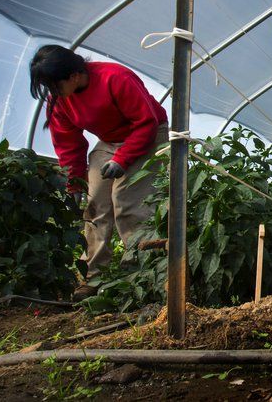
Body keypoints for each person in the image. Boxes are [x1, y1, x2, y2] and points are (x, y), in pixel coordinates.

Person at [29, 45, 168, 300]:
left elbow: (146, 122)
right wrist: (74, 185)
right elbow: (69, 144)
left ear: (73, 75)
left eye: (54, 86)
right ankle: (94, 277)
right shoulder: (60, 101)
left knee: (127, 201)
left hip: (148, 133)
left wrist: (122, 159)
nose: (52, 93)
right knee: (95, 205)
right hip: (110, 139)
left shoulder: (115, 78)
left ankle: (142, 273)